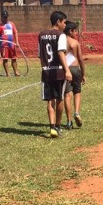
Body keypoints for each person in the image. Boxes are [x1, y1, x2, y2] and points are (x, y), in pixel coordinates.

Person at [38, 10, 72, 138]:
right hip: (58, 72)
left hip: (46, 72)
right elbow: (60, 53)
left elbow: (40, 55)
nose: (65, 25)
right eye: (64, 22)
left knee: (50, 100)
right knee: (59, 99)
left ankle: (51, 127)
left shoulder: (41, 35)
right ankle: (57, 126)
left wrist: (45, 68)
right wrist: (67, 70)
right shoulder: (61, 35)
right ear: (58, 22)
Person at [62, 21, 86, 128]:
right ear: (70, 31)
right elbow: (80, 59)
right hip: (75, 69)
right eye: (75, 31)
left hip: (65, 69)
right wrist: (83, 74)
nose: (76, 33)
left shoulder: (61, 41)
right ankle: (76, 112)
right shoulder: (75, 43)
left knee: (67, 95)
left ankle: (69, 121)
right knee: (77, 91)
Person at [0, 10, 19, 77]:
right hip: (4, 45)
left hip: (11, 44)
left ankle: (16, 72)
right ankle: (7, 73)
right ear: (1, 17)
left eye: (6, 17)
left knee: (14, 58)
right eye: (4, 17)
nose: (5, 19)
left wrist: (17, 42)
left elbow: (15, 32)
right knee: (5, 59)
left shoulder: (12, 24)